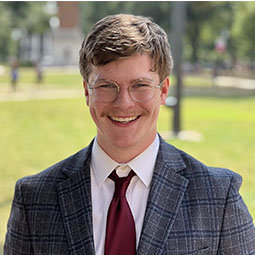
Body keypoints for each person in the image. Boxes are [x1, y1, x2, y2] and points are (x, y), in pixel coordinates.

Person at [4, 14, 255, 255]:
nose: (123, 104)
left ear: (163, 90)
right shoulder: (34, 199)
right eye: (106, 86)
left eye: (140, 85)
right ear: (86, 91)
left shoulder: (218, 197)